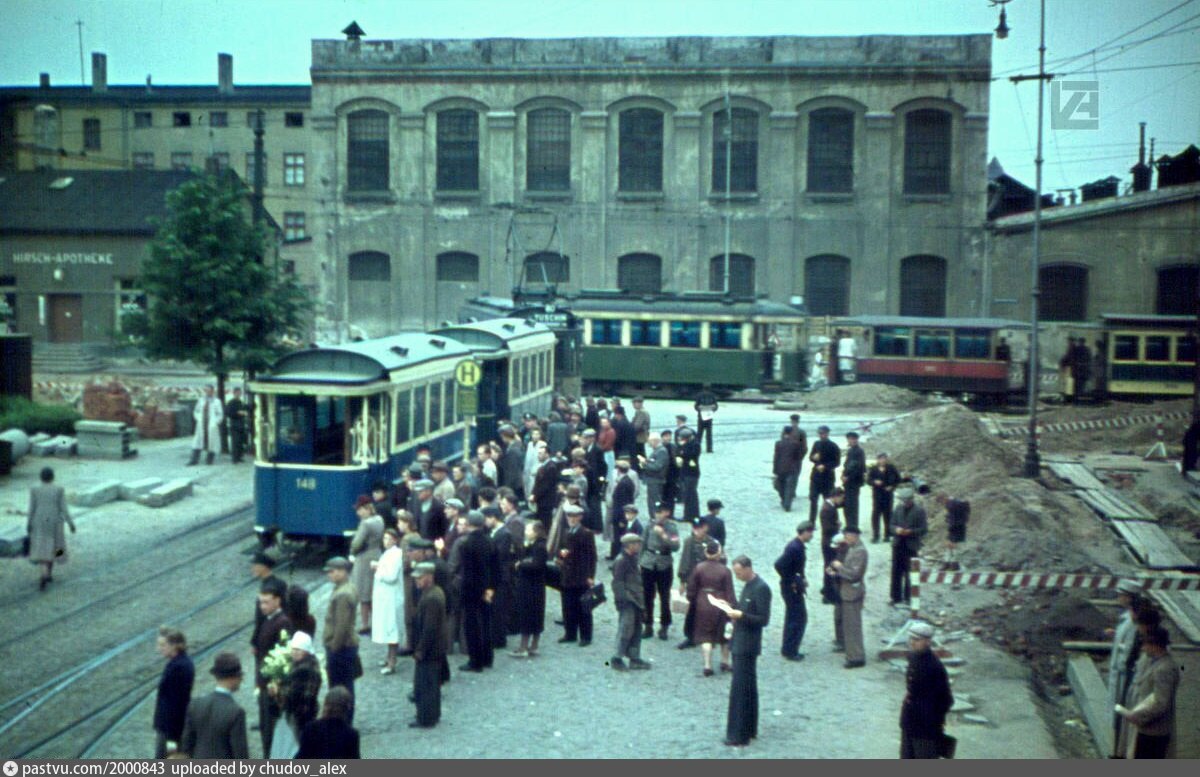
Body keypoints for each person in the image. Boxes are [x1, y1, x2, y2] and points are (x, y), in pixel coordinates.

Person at [722, 556, 771, 747]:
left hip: (747, 644)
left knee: (740, 690)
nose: (737, 576)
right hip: (741, 641)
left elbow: (763, 619)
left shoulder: (761, 588)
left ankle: (739, 734)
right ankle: (749, 728)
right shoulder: (749, 585)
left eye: (739, 572)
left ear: (748, 568)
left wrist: (741, 615)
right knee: (747, 687)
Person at [1116, 625, 1180, 758]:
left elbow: (1160, 702)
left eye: (1145, 644)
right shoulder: (1154, 662)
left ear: (1155, 646)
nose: (1143, 648)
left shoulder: (1164, 669)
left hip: (1153, 730)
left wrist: (1136, 716)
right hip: (1147, 728)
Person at [899, 621, 954, 759]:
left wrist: (934, 721)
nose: (912, 643)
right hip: (909, 722)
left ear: (928, 641)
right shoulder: (913, 658)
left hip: (926, 728)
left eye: (917, 640)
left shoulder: (934, 666)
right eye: (911, 638)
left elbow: (946, 700)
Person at [181, 652, 249, 759]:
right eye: (240, 676)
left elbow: (186, 744)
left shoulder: (195, 704)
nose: (241, 679)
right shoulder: (236, 712)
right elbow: (240, 753)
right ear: (234, 678)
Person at [251, 579, 291, 757]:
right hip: (263, 682)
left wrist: (275, 682)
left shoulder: (282, 622)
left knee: (270, 729)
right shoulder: (268, 620)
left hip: (272, 686)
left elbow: (283, 657)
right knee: (265, 728)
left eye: (266, 602)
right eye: (261, 602)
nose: (262, 606)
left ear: (277, 601)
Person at [269, 631, 322, 759]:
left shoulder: (303, 670)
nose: (294, 652)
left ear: (306, 651)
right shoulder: (306, 665)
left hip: (299, 717)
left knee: (294, 750)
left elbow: (292, 697)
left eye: (298, 650)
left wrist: (276, 691)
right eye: (293, 649)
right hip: (305, 715)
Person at [1107, 579, 1143, 756]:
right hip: (1118, 673)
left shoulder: (1132, 621)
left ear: (1129, 598)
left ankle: (1118, 753)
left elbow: (1128, 650)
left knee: (1120, 715)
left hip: (1123, 675)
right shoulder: (1127, 618)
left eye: (1121, 595)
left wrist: (1121, 666)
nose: (1118, 597)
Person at [410, 561, 448, 729]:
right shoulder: (434, 592)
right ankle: (433, 714)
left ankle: (426, 718)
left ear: (429, 577)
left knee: (426, 684)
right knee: (432, 684)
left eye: (420, 578)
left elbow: (429, 628)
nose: (416, 581)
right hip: (435, 647)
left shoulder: (431, 597)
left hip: (430, 649)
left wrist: (420, 649)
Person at [688, 539, 735, 677]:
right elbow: (730, 591)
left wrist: (693, 600)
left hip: (703, 602)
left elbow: (691, 589)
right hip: (720, 603)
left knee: (705, 636)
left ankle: (707, 665)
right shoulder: (725, 571)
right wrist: (732, 607)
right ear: (718, 553)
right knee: (725, 634)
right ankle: (725, 661)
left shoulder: (699, 568)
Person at [322, 557, 360, 722]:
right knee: (345, 685)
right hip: (345, 646)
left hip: (341, 647)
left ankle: (342, 720)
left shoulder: (343, 594)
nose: (329, 574)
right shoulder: (347, 587)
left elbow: (341, 626)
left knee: (340, 688)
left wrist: (334, 648)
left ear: (343, 572)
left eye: (333, 571)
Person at [456, 511, 494, 672]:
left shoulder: (466, 544)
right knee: (486, 623)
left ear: (469, 524)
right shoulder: (490, 541)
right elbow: (495, 568)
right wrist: (490, 588)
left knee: (472, 626)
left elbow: (468, 572)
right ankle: (487, 658)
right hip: (487, 589)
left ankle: (475, 661)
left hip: (471, 590)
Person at [27, 466, 75, 590]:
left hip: (39, 521)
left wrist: (28, 523)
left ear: (41, 477)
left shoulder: (34, 489)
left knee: (42, 546)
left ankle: (44, 573)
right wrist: (71, 523)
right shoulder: (59, 489)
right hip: (55, 521)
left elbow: (31, 508)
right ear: (52, 477)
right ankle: (49, 574)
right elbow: (64, 508)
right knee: (55, 546)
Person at [639, 502, 680, 640]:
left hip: (664, 564)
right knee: (647, 596)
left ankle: (664, 626)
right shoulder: (649, 526)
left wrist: (663, 535)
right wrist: (640, 562)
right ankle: (647, 625)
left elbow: (676, 546)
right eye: (657, 512)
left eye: (661, 512)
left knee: (664, 597)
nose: (658, 515)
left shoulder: (671, 528)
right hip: (648, 563)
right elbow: (642, 544)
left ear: (667, 513)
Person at [558, 503, 597, 647]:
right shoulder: (566, 532)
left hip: (581, 575)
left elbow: (592, 556)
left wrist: (591, 575)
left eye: (574, 517)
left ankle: (586, 636)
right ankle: (570, 633)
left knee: (584, 608)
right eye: (569, 516)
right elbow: (560, 549)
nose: (572, 519)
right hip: (567, 575)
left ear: (580, 517)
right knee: (568, 607)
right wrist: (561, 554)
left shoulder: (586, 534)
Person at [774, 522, 814, 662]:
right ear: (804, 532)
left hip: (792, 587)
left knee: (793, 617)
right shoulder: (794, 548)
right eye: (810, 532)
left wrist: (800, 578)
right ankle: (791, 650)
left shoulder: (797, 546)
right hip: (791, 589)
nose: (812, 535)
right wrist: (793, 580)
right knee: (798, 618)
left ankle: (788, 648)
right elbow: (779, 565)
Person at [611, 532, 651, 671]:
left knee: (637, 630)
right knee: (625, 629)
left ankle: (634, 658)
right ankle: (617, 658)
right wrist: (622, 600)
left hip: (637, 600)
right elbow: (617, 583)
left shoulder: (633, 558)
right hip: (628, 600)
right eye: (637, 543)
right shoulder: (621, 561)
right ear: (629, 545)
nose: (639, 546)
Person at [829, 526, 868, 668]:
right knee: (849, 626)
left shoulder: (860, 551)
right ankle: (852, 654)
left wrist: (839, 567)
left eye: (847, 536)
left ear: (854, 536)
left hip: (853, 593)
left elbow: (854, 574)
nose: (845, 539)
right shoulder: (853, 548)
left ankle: (856, 657)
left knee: (853, 627)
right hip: (848, 592)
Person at [153, 627, 194, 758]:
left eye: (163, 645)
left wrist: (171, 738)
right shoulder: (178, 663)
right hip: (169, 728)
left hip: (170, 729)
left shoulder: (179, 667)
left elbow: (176, 704)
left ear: (175, 646)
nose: (159, 649)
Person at [371, 528, 405, 674]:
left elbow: (391, 576)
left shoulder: (396, 554)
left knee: (392, 629)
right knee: (387, 627)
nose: (386, 541)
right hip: (385, 597)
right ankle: (388, 657)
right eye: (384, 538)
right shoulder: (388, 553)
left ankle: (392, 662)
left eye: (389, 539)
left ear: (395, 540)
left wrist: (377, 569)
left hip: (391, 598)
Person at [513, 520, 548, 658]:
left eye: (528, 530)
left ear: (536, 532)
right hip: (532, 586)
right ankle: (532, 646)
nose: (526, 532)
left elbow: (537, 565)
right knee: (533, 616)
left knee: (528, 616)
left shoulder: (539, 547)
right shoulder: (534, 545)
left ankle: (525, 647)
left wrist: (521, 565)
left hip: (532, 586)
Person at [349, 495, 384, 635]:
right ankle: (377, 622)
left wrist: (352, 550)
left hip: (364, 559)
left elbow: (357, 543)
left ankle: (365, 624)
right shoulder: (379, 519)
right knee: (373, 592)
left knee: (364, 594)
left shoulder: (365, 524)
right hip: (377, 554)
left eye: (359, 509)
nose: (358, 512)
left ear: (367, 509)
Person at [675, 516, 711, 650]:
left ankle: (704, 634)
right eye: (695, 528)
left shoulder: (711, 542)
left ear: (705, 528)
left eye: (700, 528)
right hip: (693, 581)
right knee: (692, 609)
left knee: (706, 609)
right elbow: (685, 561)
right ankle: (690, 636)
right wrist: (682, 581)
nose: (697, 531)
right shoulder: (689, 542)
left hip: (707, 582)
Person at [484, 506, 516, 650]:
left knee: (499, 608)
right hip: (495, 574)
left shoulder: (504, 534)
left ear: (493, 518)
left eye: (487, 519)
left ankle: (499, 639)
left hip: (501, 576)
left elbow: (500, 555)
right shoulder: (494, 532)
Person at [297, 686, 360, 759]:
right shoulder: (351, 734)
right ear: (346, 709)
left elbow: (301, 757)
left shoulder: (311, 728)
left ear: (325, 704)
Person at [890, 486, 927, 607]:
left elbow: (924, 529)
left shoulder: (919, 511)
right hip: (898, 545)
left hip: (911, 546)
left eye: (906, 500)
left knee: (910, 573)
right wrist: (896, 530)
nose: (904, 503)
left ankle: (909, 597)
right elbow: (891, 525)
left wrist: (911, 532)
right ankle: (895, 597)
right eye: (903, 500)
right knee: (896, 572)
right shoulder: (898, 508)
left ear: (911, 499)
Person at [807, 425, 841, 525]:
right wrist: (813, 457)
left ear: (827, 434)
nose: (822, 435)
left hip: (828, 478)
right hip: (816, 477)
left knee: (829, 501)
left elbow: (837, 462)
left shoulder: (833, 446)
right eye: (820, 433)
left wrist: (825, 466)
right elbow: (810, 457)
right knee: (813, 500)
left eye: (824, 433)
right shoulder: (816, 444)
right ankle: (811, 522)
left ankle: (831, 521)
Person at [818, 488, 845, 604]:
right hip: (829, 543)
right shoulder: (827, 509)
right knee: (830, 567)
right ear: (836, 496)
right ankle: (828, 594)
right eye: (841, 498)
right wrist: (837, 526)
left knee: (829, 565)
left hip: (829, 541)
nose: (842, 500)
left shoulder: (830, 507)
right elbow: (827, 528)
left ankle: (827, 589)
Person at [607, 459, 637, 560]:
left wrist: (621, 519)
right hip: (621, 514)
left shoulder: (624, 483)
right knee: (617, 537)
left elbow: (623, 503)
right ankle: (614, 554)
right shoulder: (627, 481)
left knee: (618, 537)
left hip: (620, 516)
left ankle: (617, 556)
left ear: (619, 470)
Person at [868, 453, 901, 543]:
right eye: (881, 459)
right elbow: (868, 480)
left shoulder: (891, 468)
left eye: (884, 458)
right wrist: (874, 482)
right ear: (878, 460)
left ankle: (887, 535)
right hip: (877, 495)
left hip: (888, 495)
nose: (882, 460)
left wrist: (892, 487)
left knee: (888, 515)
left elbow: (898, 479)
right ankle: (876, 535)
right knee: (876, 515)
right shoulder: (874, 469)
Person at [188, 385, 224, 465]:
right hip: (202, 423)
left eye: (209, 390)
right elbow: (196, 411)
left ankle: (209, 460)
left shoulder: (217, 401)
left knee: (212, 443)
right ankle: (194, 460)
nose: (207, 392)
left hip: (211, 425)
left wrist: (215, 422)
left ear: (212, 391)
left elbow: (220, 414)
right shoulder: (201, 400)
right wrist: (198, 418)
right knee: (197, 442)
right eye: (206, 390)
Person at [772, 426, 804, 512]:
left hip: (780, 469)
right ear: (791, 433)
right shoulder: (795, 444)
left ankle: (784, 500)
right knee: (789, 487)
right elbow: (798, 457)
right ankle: (787, 504)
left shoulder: (778, 443)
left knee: (781, 486)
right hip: (792, 469)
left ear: (783, 433)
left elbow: (776, 457)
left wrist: (775, 470)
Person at [938, 493, 970, 570]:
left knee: (952, 545)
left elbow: (954, 518)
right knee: (949, 545)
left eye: (941, 502)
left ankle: (953, 564)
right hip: (958, 526)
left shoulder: (952, 504)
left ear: (944, 498)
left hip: (956, 527)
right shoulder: (953, 503)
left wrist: (950, 525)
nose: (942, 504)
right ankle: (949, 563)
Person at [841, 432, 866, 530]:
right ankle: (849, 525)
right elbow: (847, 466)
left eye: (853, 439)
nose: (851, 441)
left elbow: (859, 468)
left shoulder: (859, 452)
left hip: (854, 482)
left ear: (856, 440)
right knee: (847, 505)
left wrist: (848, 477)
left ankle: (853, 526)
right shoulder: (851, 451)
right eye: (849, 439)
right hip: (848, 482)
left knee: (852, 505)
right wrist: (843, 475)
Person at [639, 433, 668, 516]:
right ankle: (653, 516)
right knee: (651, 500)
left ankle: (656, 517)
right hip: (653, 480)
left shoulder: (661, 451)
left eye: (650, 441)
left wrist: (644, 463)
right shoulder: (657, 450)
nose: (648, 443)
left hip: (656, 480)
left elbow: (657, 467)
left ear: (655, 441)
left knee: (655, 501)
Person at [677, 427, 702, 520]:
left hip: (692, 473)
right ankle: (688, 515)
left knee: (691, 495)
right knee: (686, 495)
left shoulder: (695, 445)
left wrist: (683, 448)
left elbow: (689, 455)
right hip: (685, 472)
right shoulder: (689, 444)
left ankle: (693, 515)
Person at [224, 387, 249, 464]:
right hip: (234, 424)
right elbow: (228, 412)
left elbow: (245, 409)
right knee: (235, 442)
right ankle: (234, 458)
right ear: (234, 393)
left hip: (241, 424)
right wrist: (238, 413)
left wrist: (245, 411)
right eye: (237, 393)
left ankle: (239, 457)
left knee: (240, 442)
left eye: (240, 393)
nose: (239, 394)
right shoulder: (231, 402)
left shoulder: (241, 402)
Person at [694, 386, 718, 453]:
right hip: (709, 417)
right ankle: (709, 449)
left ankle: (697, 449)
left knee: (699, 434)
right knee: (709, 434)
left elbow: (696, 406)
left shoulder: (699, 395)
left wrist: (700, 408)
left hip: (701, 417)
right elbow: (716, 406)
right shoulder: (712, 395)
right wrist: (712, 409)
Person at [631, 397, 651, 461]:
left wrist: (630, 431)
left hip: (639, 438)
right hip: (641, 437)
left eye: (634, 403)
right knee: (641, 453)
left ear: (640, 403)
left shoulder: (641, 412)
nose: (633, 405)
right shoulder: (641, 412)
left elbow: (637, 426)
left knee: (639, 455)